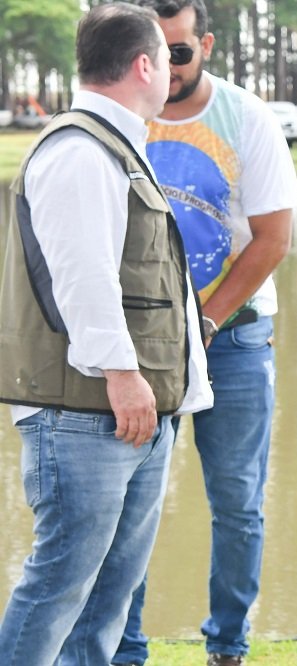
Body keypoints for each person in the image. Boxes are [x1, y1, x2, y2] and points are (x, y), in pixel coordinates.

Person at [0, 4, 213, 665]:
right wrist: (124, 378)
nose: (176, 70)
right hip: (89, 414)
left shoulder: (116, 144)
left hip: (129, 412)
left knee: (106, 598)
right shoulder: (80, 150)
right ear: (144, 64)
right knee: (61, 585)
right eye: (169, 57)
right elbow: (82, 278)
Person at [110, 1, 297, 665]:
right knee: (128, 507)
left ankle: (227, 647)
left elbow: (274, 238)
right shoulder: (121, 116)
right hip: (138, 351)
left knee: (238, 505)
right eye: (151, 53)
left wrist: (205, 321)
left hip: (235, 341)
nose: (163, 68)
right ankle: (125, 650)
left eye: (178, 52)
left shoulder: (247, 117)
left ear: (205, 46)